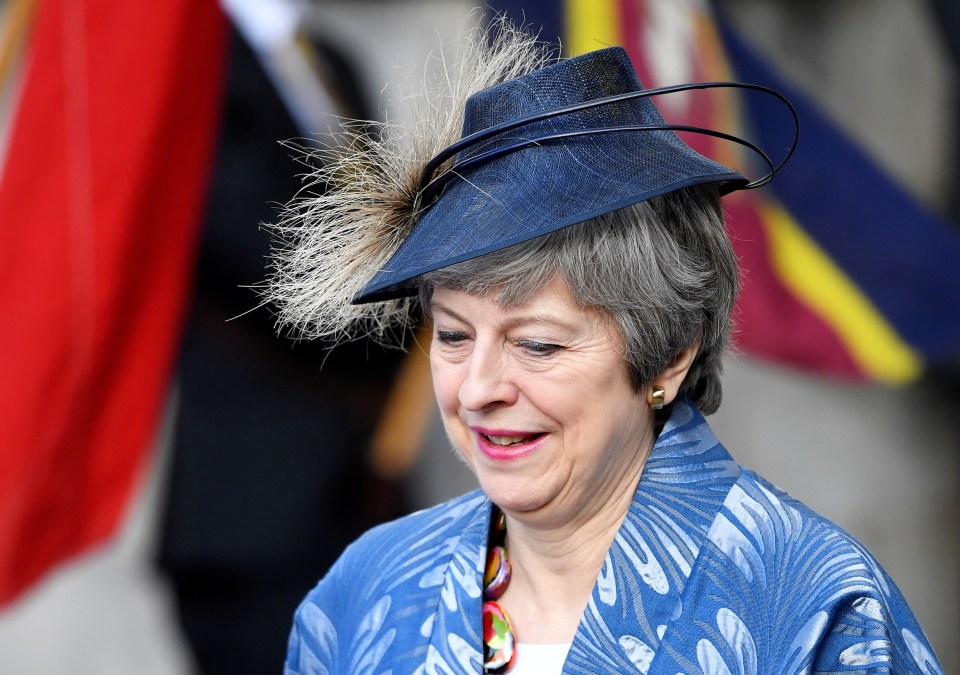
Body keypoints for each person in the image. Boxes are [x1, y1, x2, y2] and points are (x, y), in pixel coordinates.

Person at [268, 21, 943, 675]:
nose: (478, 388)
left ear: (671, 353)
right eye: (452, 335)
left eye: (536, 343)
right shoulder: (367, 589)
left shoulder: (817, 606)